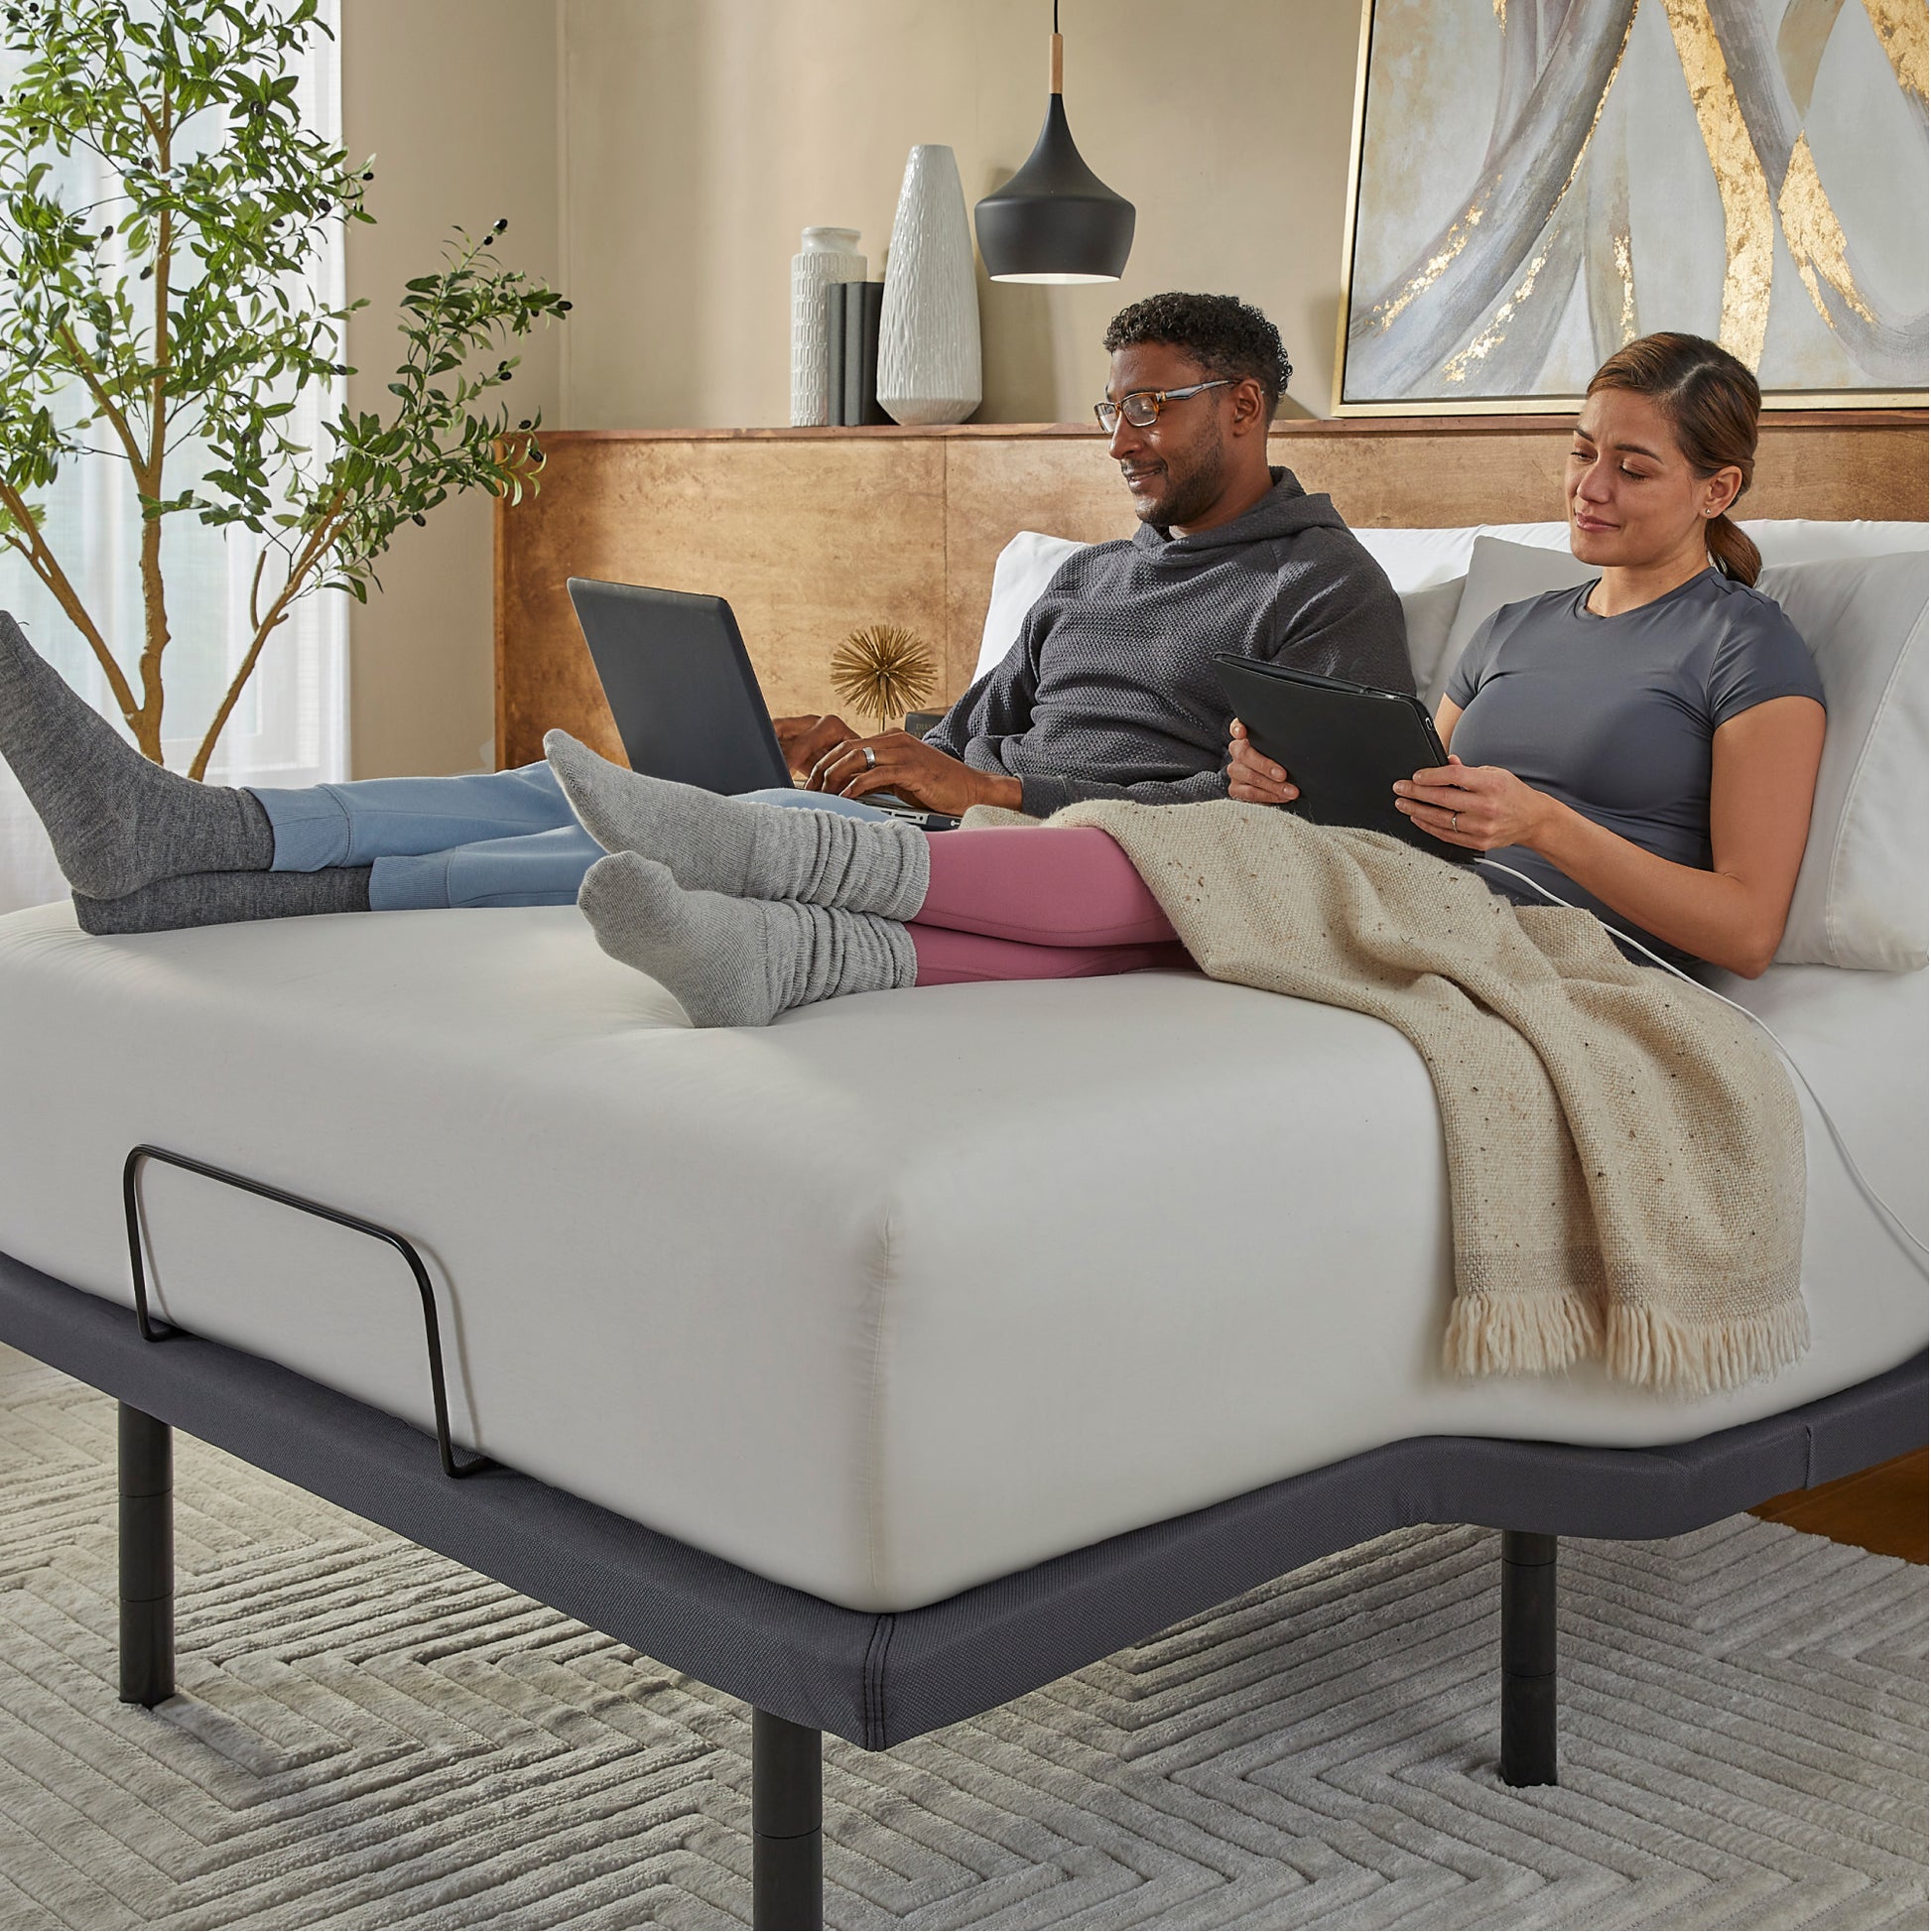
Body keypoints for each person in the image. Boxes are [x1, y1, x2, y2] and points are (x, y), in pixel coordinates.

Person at [0, 293, 1408, 935]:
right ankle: (209, 842)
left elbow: (1281, 830)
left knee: (673, 835)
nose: (1117, 439)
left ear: (1242, 405)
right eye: (1108, 409)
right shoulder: (1089, 575)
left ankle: (200, 872)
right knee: (571, 785)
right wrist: (869, 744)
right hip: (952, 812)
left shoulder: (1321, 587)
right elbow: (965, 735)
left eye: (1145, 408)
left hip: (1060, 854)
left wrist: (984, 785)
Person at [531, 330, 1825, 1023]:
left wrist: (1546, 824)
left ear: (1717, 490)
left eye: (1633, 467)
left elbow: (1746, 934)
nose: (1588, 487)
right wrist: (1293, 788)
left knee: (1166, 871)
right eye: (1578, 451)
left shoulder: (1742, 645)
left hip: (1573, 945)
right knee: (1198, 873)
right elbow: (1412, 807)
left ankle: (768, 862)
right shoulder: (1520, 621)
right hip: (1435, 903)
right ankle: (787, 956)